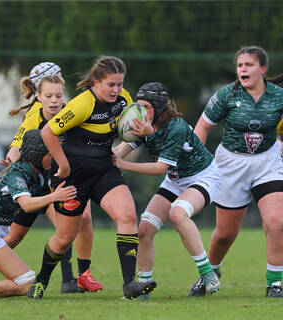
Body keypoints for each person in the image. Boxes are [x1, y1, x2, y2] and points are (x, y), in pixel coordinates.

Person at [27, 55, 156, 300]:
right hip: (73, 175)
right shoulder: (82, 104)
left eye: (120, 84)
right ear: (96, 82)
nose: (116, 90)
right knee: (64, 238)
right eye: (111, 84)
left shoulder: (124, 99)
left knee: (128, 215)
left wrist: (145, 130)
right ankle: (41, 280)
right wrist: (63, 166)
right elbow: (48, 132)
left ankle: (130, 285)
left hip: (104, 169)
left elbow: (132, 128)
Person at [0, 64, 103, 294]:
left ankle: (76, 277)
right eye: (49, 94)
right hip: (36, 188)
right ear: (39, 93)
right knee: (13, 237)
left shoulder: (71, 112)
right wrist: (12, 157)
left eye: (58, 94)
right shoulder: (34, 115)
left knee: (76, 222)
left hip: (58, 183)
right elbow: (17, 143)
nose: (54, 99)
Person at [112, 82, 222, 298]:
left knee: (178, 213)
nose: (140, 111)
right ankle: (143, 289)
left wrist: (124, 165)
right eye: (138, 105)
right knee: (144, 229)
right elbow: (118, 153)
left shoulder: (176, 127)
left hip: (203, 176)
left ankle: (208, 274)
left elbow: (160, 168)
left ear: (159, 108)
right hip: (175, 179)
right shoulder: (143, 123)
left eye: (146, 106)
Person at [193, 45, 283, 298]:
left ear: (262, 69)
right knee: (225, 234)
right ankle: (210, 274)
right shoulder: (226, 95)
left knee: (277, 223)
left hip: (268, 162)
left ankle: (274, 284)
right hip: (231, 164)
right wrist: (197, 164)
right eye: (239, 65)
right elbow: (201, 129)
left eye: (248, 65)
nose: (242, 69)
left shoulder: (278, 96)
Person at [0, 129, 77, 299]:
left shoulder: (39, 169)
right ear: (37, 155)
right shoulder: (19, 173)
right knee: (26, 282)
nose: (54, 156)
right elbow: (27, 204)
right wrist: (54, 196)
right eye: (50, 153)